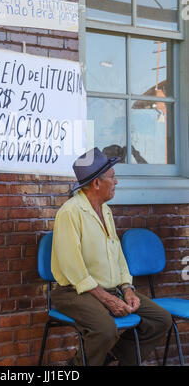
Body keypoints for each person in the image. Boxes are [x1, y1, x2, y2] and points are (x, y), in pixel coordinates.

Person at [51, 147, 172, 366]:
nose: (116, 182)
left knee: (160, 319)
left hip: (109, 289)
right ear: (96, 183)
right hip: (73, 292)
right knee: (104, 329)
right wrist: (107, 299)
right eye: (113, 176)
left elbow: (117, 255)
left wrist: (127, 288)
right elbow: (72, 267)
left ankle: (112, 357)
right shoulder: (70, 212)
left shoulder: (105, 210)